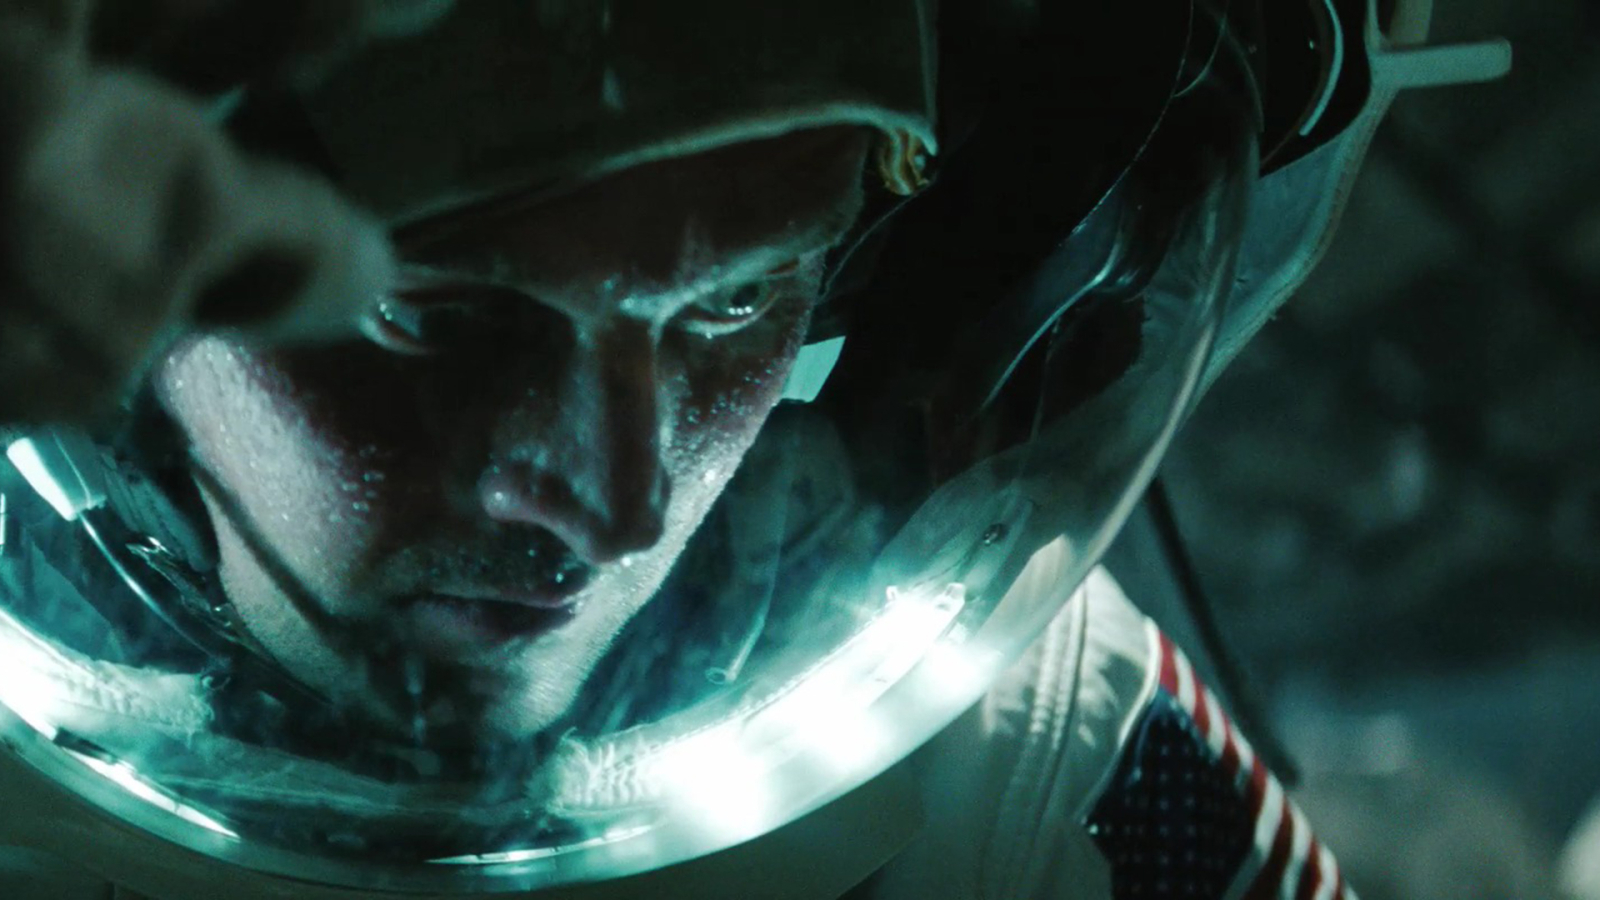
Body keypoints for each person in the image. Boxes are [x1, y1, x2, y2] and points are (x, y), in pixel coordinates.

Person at [0, 0, 1512, 898]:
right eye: (443, 315)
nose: (613, 498)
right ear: (111, 286)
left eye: (734, 307)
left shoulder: (1026, 747)